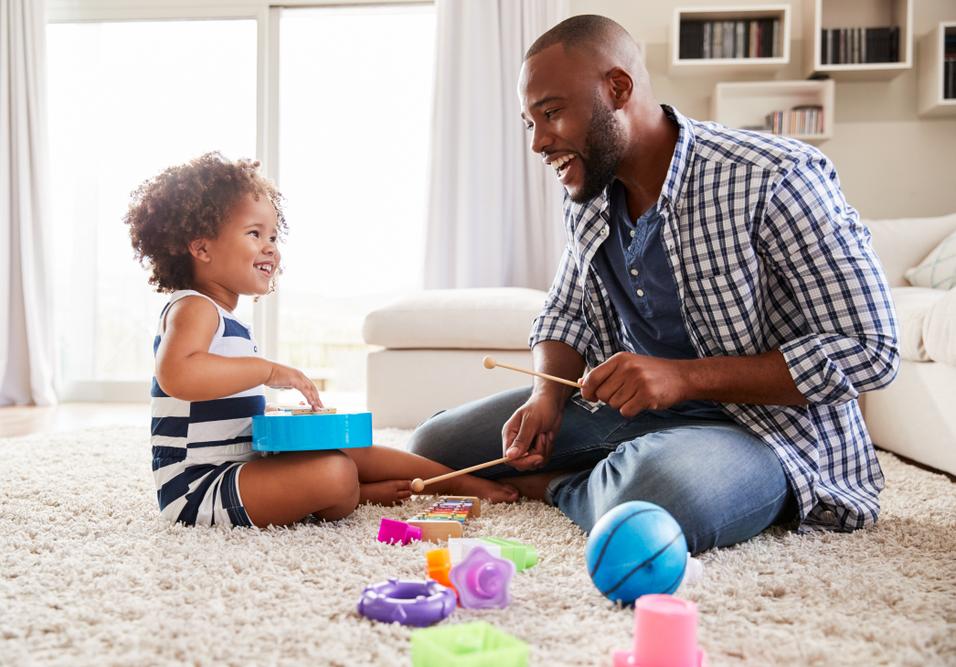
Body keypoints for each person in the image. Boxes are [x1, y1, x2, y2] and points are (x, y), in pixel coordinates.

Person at [407, 15, 899, 554]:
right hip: (637, 416)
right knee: (433, 445)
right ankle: (612, 472)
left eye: (551, 113)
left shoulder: (776, 176)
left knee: (653, 496)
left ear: (618, 88)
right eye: (530, 122)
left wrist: (684, 379)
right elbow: (565, 313)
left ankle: (554, 486)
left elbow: (869, 350)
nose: (539, 143)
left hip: (765, 434)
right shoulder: (591, 193)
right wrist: (547, 395)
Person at [125, 152, 518, 528]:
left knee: (345, 447)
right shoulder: (194, 307)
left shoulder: (226, 319)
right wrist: (269, 371)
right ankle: (357, 492)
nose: (270, 247)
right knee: (336, 472)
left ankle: (454, 481)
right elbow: (178, 373)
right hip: (199, 489)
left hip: (242, 465)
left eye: (274, 236)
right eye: (254, 233)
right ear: (201, 246)